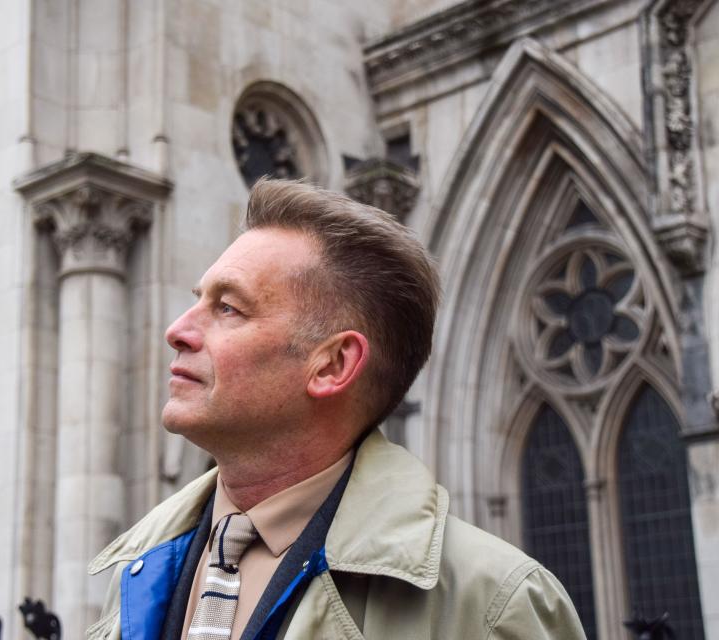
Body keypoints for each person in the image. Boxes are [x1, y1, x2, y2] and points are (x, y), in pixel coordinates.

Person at [86, 179, 586, 640]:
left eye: (228, 308)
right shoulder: (136, 571)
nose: (178, 329)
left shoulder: (492, 605)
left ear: (332, 365)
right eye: (199, 301)